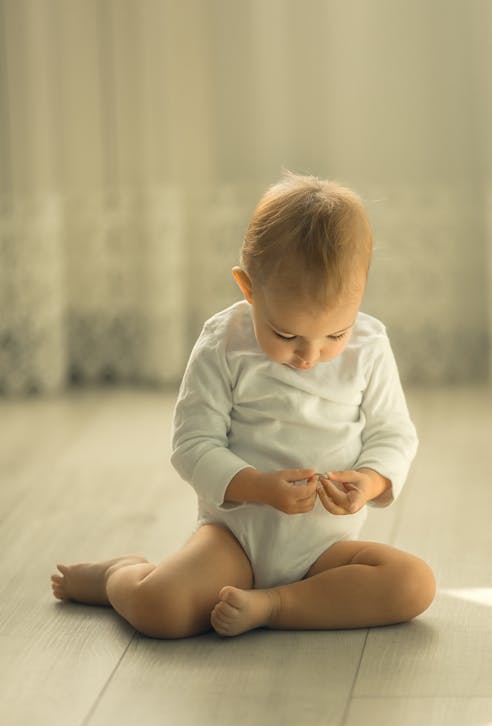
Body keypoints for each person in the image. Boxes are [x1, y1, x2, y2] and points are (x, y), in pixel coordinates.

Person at [51, 171, 436, 639]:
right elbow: (193, 443)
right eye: (286, 334)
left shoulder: (370, 347)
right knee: (161, 609)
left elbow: (393, 433)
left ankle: (274, 605)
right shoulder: (224, 344)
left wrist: (371, 481)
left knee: (414, 585)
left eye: (336, 334)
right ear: (248, 288)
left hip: (326, 549)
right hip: (235, 540)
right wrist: (256, 486)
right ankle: (119, 575)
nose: (309, 357)